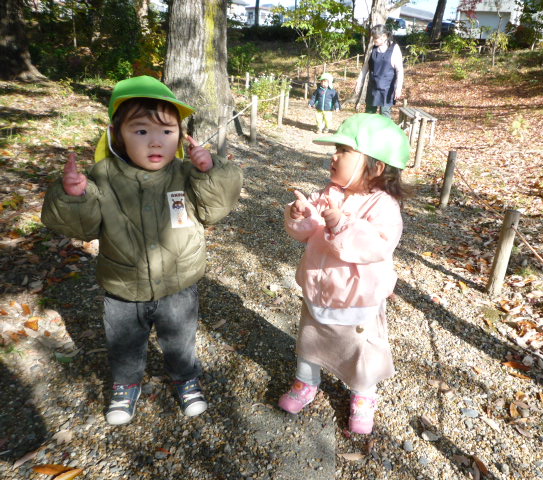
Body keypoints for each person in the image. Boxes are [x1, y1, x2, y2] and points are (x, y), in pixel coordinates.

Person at [41, 75, 243, 425]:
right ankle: (125, 384)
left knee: (180, 339)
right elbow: (83, 227)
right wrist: (75, 197)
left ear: (180, 135)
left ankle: (186, 378)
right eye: (141, 131)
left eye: (167, 131)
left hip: (179, 282)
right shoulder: (103, 177)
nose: (156, 141)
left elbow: (214, 210)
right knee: (124, 342)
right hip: (123, 284)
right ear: (117, 134)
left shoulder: (186, 174)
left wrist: (211, 173)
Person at [278, 113, 411, 434]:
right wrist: (300, 216)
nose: (334, 156)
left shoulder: (384, 206)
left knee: (360, 352)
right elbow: (308, 231)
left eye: (344, 151)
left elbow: (376, 247)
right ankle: (306, 382)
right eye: (335, 149)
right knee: (310, 340)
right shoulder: (331, 192)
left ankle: (363, 395)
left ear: (376, 167)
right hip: (320, 289)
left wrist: (341, 224)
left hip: (357, 299)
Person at [364, 24, 404, 118]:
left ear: (384, 36)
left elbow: (399, 70)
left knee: (385, 116)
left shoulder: (394, 48)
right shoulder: (372, 48)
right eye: (373, 37)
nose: (374, 40)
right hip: (373, 87)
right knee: (369, 115)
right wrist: (359, 83)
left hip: (387, 89)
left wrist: (398, 88)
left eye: (376, 38)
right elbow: (365, 67)